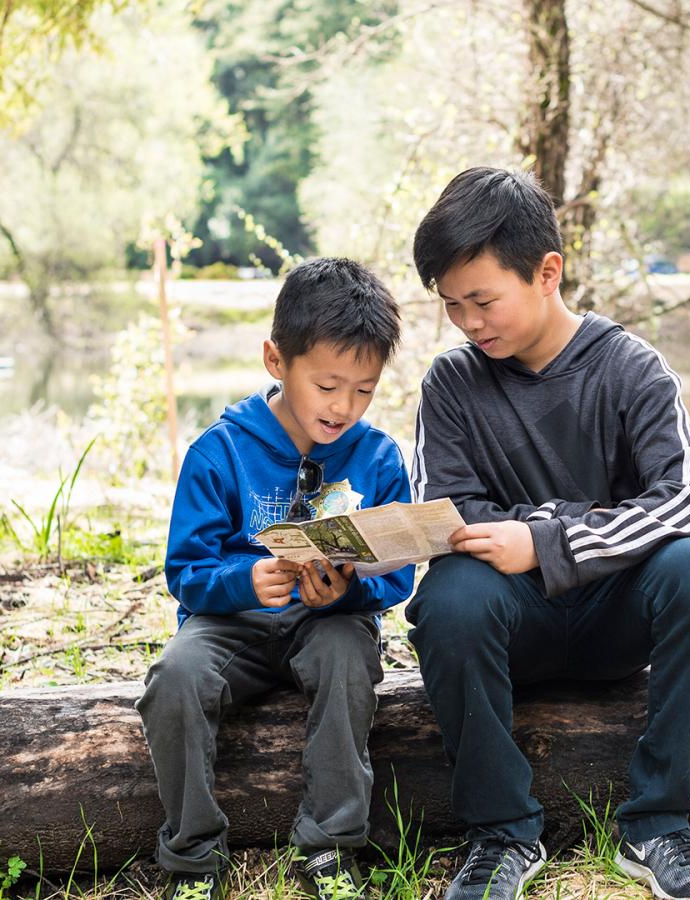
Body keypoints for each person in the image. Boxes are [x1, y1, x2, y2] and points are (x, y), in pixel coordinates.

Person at [406, 168, 690, 900]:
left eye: (483, 300)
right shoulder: (452, 384)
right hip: (510, 624)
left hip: (619, 619)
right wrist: (528, 537)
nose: (469, 322)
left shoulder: (632, 369)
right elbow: (446, 507)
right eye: (452, 306)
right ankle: (501, 835)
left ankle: (660, 826)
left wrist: (548, 540)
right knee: (450, 595)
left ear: (547, 272)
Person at [136, 257, 413, 900]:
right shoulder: (221, 450)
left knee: (349, 659)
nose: (345, 407)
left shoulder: (378, 457)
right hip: (229, 625)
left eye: (365, 389)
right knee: (174, 678)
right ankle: (193, 856)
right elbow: (186, 572)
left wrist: (351, 590)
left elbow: (398, 575)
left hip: (328, 624)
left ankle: (330, 848)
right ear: (275, 360)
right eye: (328, 385)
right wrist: (243, 581)